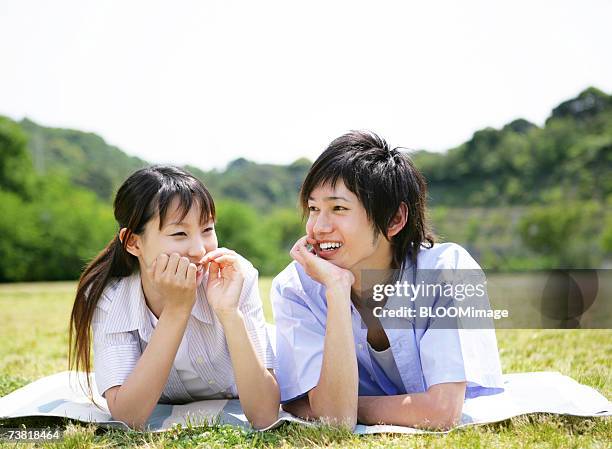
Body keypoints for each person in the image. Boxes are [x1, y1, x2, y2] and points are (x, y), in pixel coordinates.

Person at [271, 131, 504, 430]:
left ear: (394, 219)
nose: (318, 227)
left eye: (339, 208)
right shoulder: (295, 288)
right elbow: (331, 421)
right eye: (314, 208)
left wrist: (341, 404)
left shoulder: (449, 271)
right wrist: (337, 290)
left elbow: (442, 412)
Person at [69, 165, 279, 430]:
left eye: (207, 229)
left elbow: (264, 416)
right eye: (179, 234)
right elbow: (128, 417)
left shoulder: (233, 277)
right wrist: (177, 310)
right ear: (133, 242)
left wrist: (229, 312)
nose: (198, 249)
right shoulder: (110, 299)